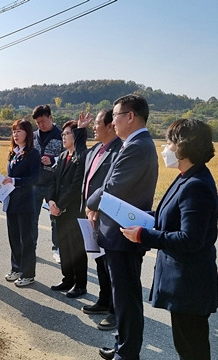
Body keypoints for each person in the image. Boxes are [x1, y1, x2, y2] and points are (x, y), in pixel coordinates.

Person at [122, 119, 218, 360]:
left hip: (190, 284)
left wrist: (144, 235)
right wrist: (143, 217)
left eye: (169, 142)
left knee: (192, 349)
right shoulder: (186, 176)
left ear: (184, 146)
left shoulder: (196, 185)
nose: (165, 148)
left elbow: (190, 239)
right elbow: (169, 216)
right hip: (184, 283)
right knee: (187, 346)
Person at [86, 94, 159, 360]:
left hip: (124, 233)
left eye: (115, 116)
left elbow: (114, 185)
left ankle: (127, 353)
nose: (113, 122)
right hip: (119, 231)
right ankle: (122, 346)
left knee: (127, 297)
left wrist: (91, 203)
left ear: (130, 116)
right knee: (122, 295)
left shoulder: (138, 146)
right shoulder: (134, 143)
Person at [73, 109, 123, 331]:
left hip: (106, 217)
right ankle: (104, 301)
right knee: (99, 261)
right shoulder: (97, 150)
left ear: (111, 125)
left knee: (111, 266)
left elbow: (113, 188)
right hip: (90, 216)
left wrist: (97, 209)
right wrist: (80, 131)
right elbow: (80, 155)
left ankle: (115, 310)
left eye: (98, 123)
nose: (95, 126)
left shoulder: (118, 151)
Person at [46, 120, 88, 298]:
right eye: (62, 134)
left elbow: (75, 186)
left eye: (67, 134)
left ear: (76, 136)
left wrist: (60, 205)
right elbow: (53, 181)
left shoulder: (82, 156)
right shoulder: (63, 156)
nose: (63, 137)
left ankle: (80, 284)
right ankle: (68, 278)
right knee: (64, 246)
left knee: (76, 248)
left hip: (73, 211)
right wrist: (50, 201)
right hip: (59, 210)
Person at [2, 119, 41, 287]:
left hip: (26, 202)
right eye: (13, 131)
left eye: (19, 131)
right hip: (12, 201)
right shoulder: (13, 153)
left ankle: (28, 274)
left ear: (28, 133)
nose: (15, 134)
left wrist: (15, 180)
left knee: (27, 239)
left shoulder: (33, 153)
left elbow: (35, 178)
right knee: (14, 237)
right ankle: (16, 268)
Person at [31, 104, 63, 263]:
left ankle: (57, 249)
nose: (41, 125)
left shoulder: (61, 135)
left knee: (55, 219)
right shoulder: (33, 135)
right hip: (35, 183)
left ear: (50, 117)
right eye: (38, 123)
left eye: (43, 121)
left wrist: (53, 160)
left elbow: (68, 156)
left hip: (54, 183)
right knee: (32, 218)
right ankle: (31, 247)